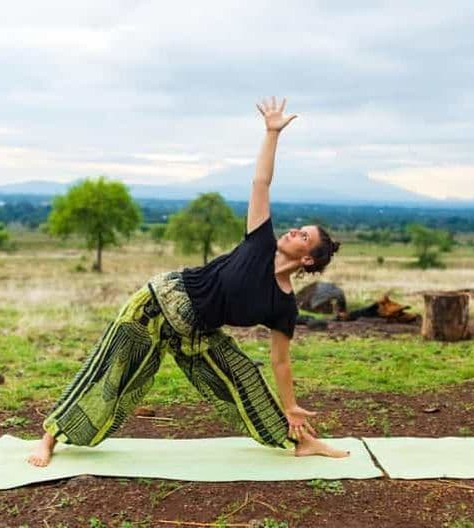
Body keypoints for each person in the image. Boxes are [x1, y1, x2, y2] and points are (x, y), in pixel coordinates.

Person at [27, 96, 348, 467]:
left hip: (197, 333)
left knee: (243, 377)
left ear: (307, 259)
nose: (294, 231)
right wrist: (271, 133)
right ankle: (49, 438)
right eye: (298, 229)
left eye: (303, 237)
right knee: (112, 372)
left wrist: (290, 404)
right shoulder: (260, 240)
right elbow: (261, 181)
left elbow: (280, 362)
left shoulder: (283, 305)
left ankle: (301, 442)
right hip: (157, 305)